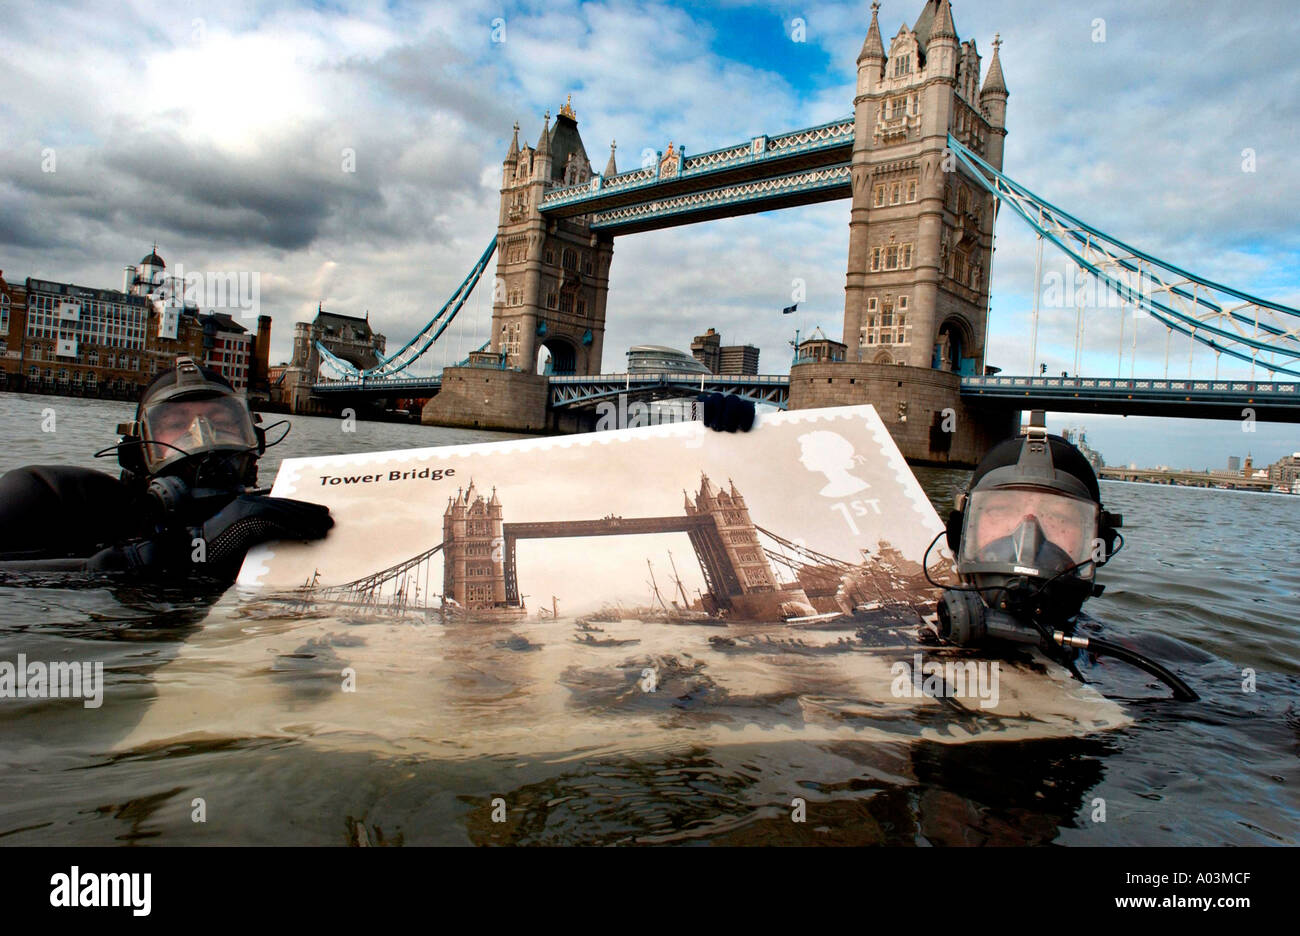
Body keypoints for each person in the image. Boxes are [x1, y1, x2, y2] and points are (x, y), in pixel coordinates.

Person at [0, 357, 333, 583]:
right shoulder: (52, 499)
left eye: (222, 423)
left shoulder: (273, 516)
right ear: (136, 453)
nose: (204, 438)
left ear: (255, 445)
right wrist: (187, 550)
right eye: (176, 426)